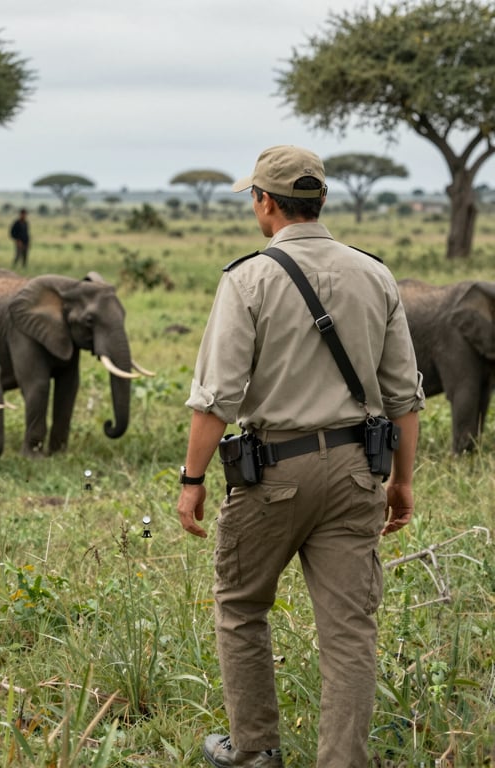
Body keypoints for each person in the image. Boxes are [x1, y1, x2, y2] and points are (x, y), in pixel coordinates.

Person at [176, 145, 424, 768]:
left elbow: (216, 399)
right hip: (357, 471)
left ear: (265, 201)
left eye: (254, 197)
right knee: (349, 629)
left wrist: (192, 479)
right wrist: (402, 483)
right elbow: (404, 398)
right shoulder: (375, 274)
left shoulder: (249, 279)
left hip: (273, 472)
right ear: (321, 200)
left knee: (241, 606)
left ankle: (254, 749)